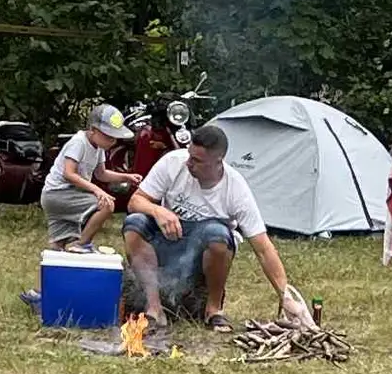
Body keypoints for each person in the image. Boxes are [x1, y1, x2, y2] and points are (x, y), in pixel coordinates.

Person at [123, 118, 316, 347]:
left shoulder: (235, 188)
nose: (188, 164)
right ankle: (154, 308)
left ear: (217, 161)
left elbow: (263, 248)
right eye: (189, 155)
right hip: (166, 241)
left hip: (202, 253)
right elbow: (135, 201)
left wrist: (285, 296)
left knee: (217, 233)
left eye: (197, 160)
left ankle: (213, 309)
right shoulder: (173, 163)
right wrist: (157, 210)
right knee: (135, 223)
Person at [42, 104, 136, 247]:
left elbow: (101, 174)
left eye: (114, 138)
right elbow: (68, 173)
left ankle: (58, 263)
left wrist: (126, 177)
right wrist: (96, 190)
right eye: (108, 137)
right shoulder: (79, 142)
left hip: (65, 194)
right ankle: (82, 244)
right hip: (59, 193)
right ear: (93, 130)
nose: (113, 142)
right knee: (106, 206)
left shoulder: (98, 147)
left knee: (60, 240)